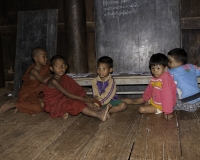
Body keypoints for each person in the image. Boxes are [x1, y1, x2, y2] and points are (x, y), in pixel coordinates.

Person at [43, 55, 110, 121]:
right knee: (76, 103)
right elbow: (68, 95)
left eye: (63, 65)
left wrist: (86, 98)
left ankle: (97, 109)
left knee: (81, 98)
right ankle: (98, 115)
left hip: (64, 98)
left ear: (66, 66)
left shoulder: (65, 77)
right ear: (51, 68)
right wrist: (85, 100)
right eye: (57, 66)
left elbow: (77, 89)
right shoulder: (53, 81)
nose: (61, 68)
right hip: (54, 103)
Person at [123, 53, 176, 120]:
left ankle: (160, 110)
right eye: (152, 68)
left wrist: (167, 112)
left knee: (141, 109)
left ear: (165, 68)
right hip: (154, 100)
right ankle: (115, 100)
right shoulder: (154, 78)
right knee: (135, 100)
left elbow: (167, 96)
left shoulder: (166, 78)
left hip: (161, 106)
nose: (155, 71)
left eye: (158, 68)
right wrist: (146, 99)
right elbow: (149, 89)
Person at [0, 47, 51, 114]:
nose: (46, 59)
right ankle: (13, 104)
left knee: (45, 104)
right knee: (38, 108)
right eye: (43, 56)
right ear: (35, 58)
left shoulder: (47, 66)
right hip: (29, 93)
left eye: (46, 56)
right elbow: (44, 81)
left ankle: (25, 105)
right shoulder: (33, 71)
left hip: (39, 93)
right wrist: (52, 75)